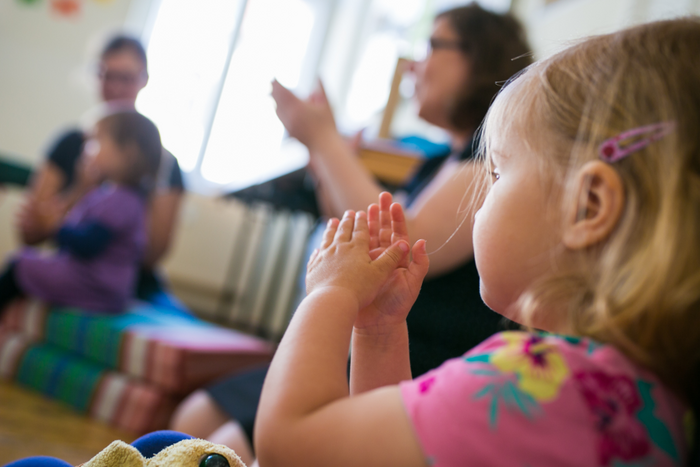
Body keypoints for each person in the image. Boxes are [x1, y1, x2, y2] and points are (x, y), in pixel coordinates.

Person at [255, 18, 700, 467]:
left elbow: (291, 447)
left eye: (497, 175)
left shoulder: (535, 386)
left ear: (589, 206)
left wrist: (330, 292)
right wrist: (379, 333)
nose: (481, 201)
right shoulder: (650, 401)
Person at [170, 5, 532, 461]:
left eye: (432, 46)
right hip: (368, 343)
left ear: (478, 57)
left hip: (413, 360)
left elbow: (404, 236)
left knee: (219, 445)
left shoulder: (484, 166)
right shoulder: (438, 160)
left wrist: (325, 141)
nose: (415, 65)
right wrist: (325, 157)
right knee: (192, 420)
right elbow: (355, 233)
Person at [18, 35, 185, 305]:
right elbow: (31, 234)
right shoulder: (70, 143)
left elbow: (151, 254)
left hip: (130, 282)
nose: (116, 87)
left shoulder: (163, 163)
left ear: (144, 79)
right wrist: (81, 190)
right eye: (107, 75)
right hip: (71, 267)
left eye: (126, 77)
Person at [0, 111, 161, 314]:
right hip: (96, 283)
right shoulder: (111, 194)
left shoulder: (122, 200)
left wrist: (54, 227)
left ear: (127, 153)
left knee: (21, 264)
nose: (86, 149)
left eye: (96, 142)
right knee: (31, 262)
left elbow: (88, 243)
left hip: (95, 284)